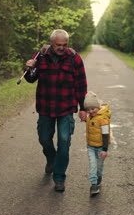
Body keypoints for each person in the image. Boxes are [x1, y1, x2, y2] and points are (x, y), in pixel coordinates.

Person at [24, 29, 87, 192]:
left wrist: (83, 108)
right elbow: (30, 78)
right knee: (44, 139)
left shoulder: (74, 58)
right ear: (51, 43)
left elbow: (81, 84)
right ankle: (52, 159)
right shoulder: (40, 56)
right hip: (45, 107)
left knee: (64, 141)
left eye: (64, 45)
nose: (61, 48)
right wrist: (29, 66)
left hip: (66, 107)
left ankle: (59, 177)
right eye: (58, 45)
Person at [83, 91, 111, 196]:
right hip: (90, 147)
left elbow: (105, 135)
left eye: (93, 108)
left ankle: (99, 178)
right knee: (93, 166)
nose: (90, 111)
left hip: (101, 148)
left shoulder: (103, 119)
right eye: (88, 110)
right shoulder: (90, 117)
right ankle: (94, 186)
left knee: (99, 167)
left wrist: (105, 150)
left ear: (97, 107)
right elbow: (92, 125)